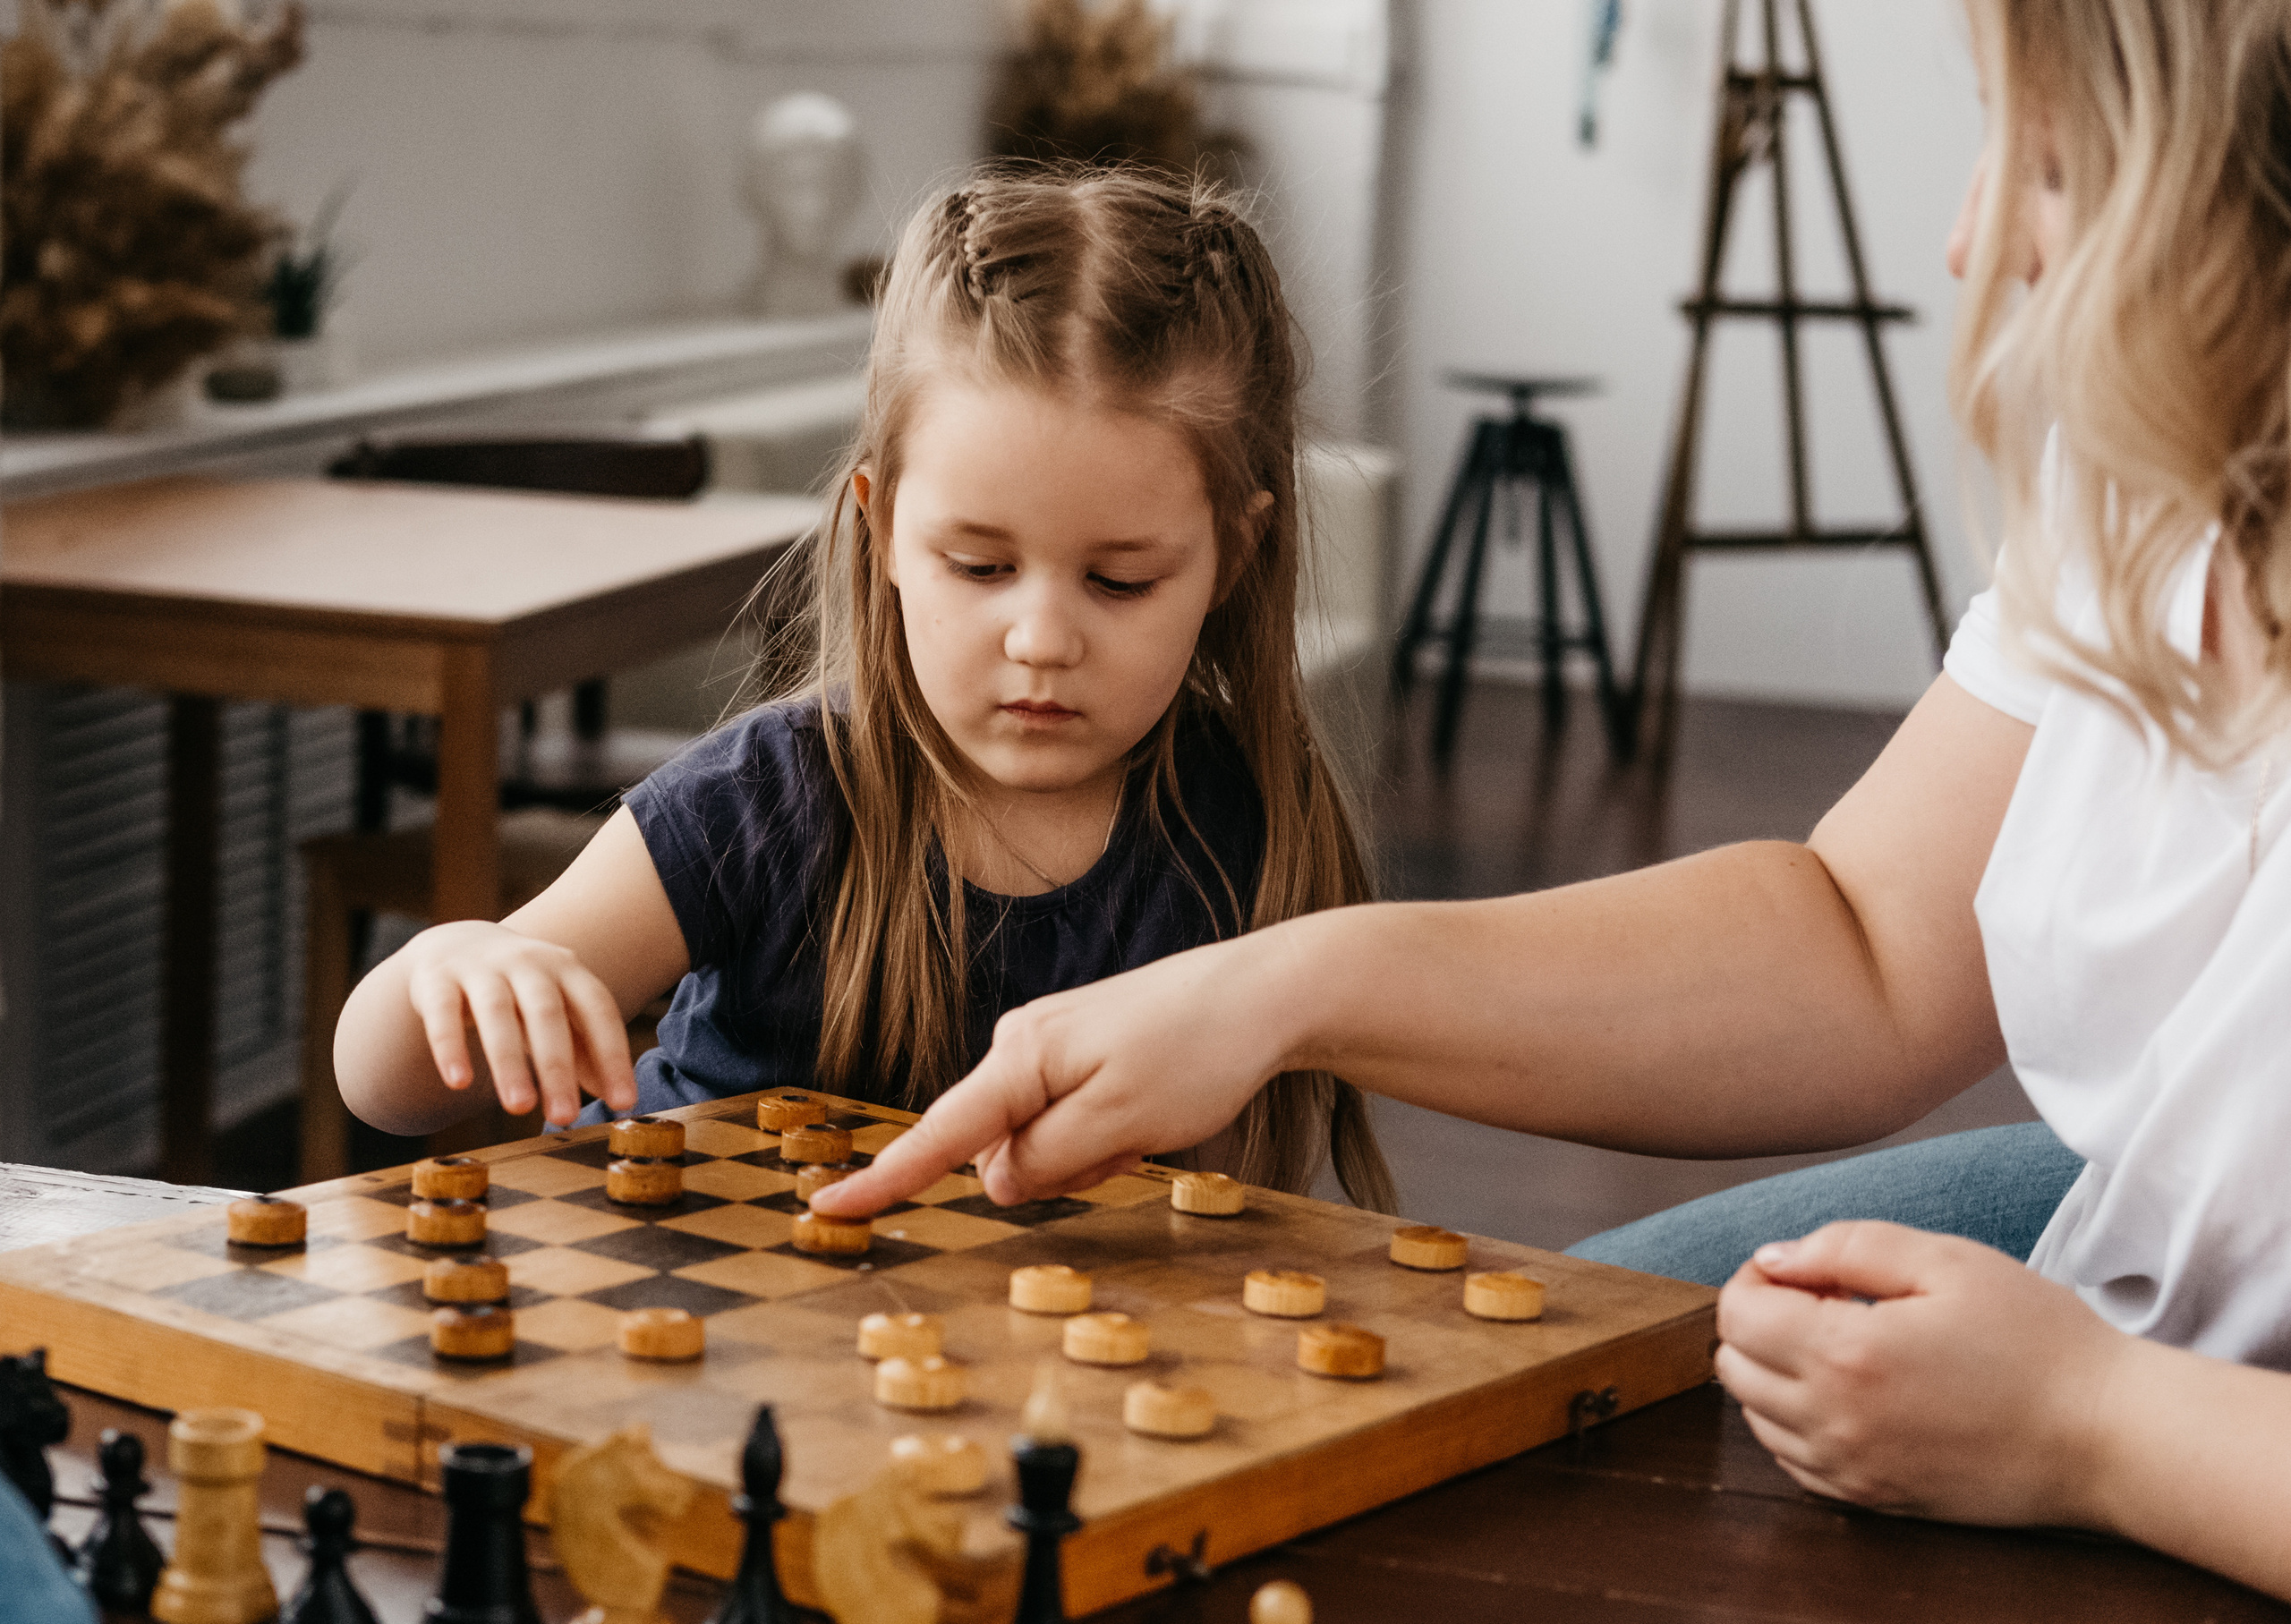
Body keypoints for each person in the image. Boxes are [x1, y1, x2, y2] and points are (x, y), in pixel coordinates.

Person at [814, 1, 2291, 1599]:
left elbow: (2092, 1402)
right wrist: (1279, 985)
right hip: (2171, 1227)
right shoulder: (2159, 462)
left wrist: (2100, 1425)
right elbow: (1869, 947)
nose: (1968, 240)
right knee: (1492, 1406)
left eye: (2060, 171)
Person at [334, 166, 1395, 1210]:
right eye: (979, 568)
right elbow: (387, 1087)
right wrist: (456, 966)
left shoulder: (1245, 823)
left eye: (1119, 581)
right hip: (703, 1343)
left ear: (1236, 555)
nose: (1039, 639)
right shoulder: (769, 796)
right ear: (883, 528)